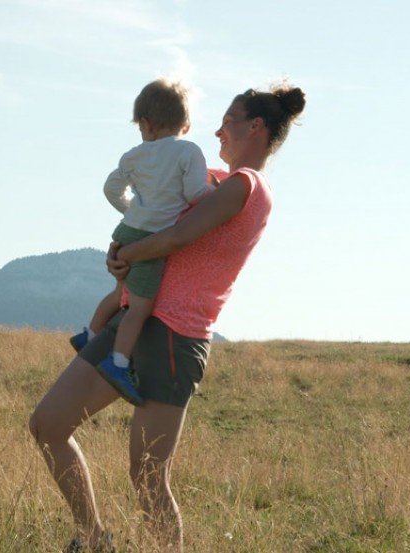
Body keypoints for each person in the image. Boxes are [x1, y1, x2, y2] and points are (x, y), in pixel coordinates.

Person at [30, 83, 306, 553]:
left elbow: (179, 235)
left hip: (176, 335)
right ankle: (95, 539)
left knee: (147, 476)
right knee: (47, 425)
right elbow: (150, 206)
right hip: (132, 317)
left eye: (228, 120)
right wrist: (120, 254)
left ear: (255, 127)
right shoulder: (206, 175)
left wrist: (128, 251)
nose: (217, 130)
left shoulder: (247, 186)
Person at [70, 79, 212, 406]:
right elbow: (194, 194)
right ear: (186, 125)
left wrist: (132, 210)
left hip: (126, 231)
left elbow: (110, 189)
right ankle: (119, 363)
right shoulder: (188, 152)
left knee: (120, 292)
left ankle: (90, 333)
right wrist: (213, 191)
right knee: (140, 307)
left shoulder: (134, 156)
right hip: (152, 239)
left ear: (145, 125)